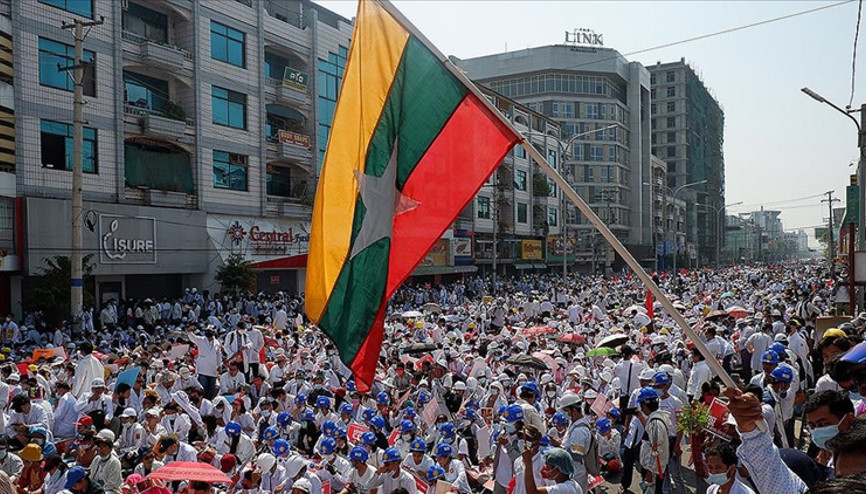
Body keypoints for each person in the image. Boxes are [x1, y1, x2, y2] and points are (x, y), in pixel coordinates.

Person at [638, 387, 669, 494]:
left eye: (641, 405)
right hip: (656, 468)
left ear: (645, 405)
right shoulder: (658, 417)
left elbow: (656, 449)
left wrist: (650, 471)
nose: (641, 409)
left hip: (655, 470)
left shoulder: (655, 423)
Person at [90, 429, 122, 494]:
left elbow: (112, 483)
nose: (100, 449)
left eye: (104, 446)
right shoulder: (97, 459)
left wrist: (99, 491)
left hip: (110, 490)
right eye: (99, 446)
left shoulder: (114, 461)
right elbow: (92, 475)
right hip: (96, 488)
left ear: (110, 448)